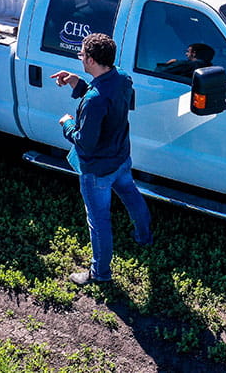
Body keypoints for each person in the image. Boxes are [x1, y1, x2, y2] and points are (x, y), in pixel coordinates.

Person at [51, 33, 152, 285]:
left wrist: (67, 123)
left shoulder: (94, 100)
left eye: (82, 55)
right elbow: (109, 105)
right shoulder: (122, 78)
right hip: (120, 158)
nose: (80, 58)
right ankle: (144, 237)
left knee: (98, 221)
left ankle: (100, 274)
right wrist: (78, 84)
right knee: (131, 195)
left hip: (97, 170)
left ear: (92, 60)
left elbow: (85, 140)